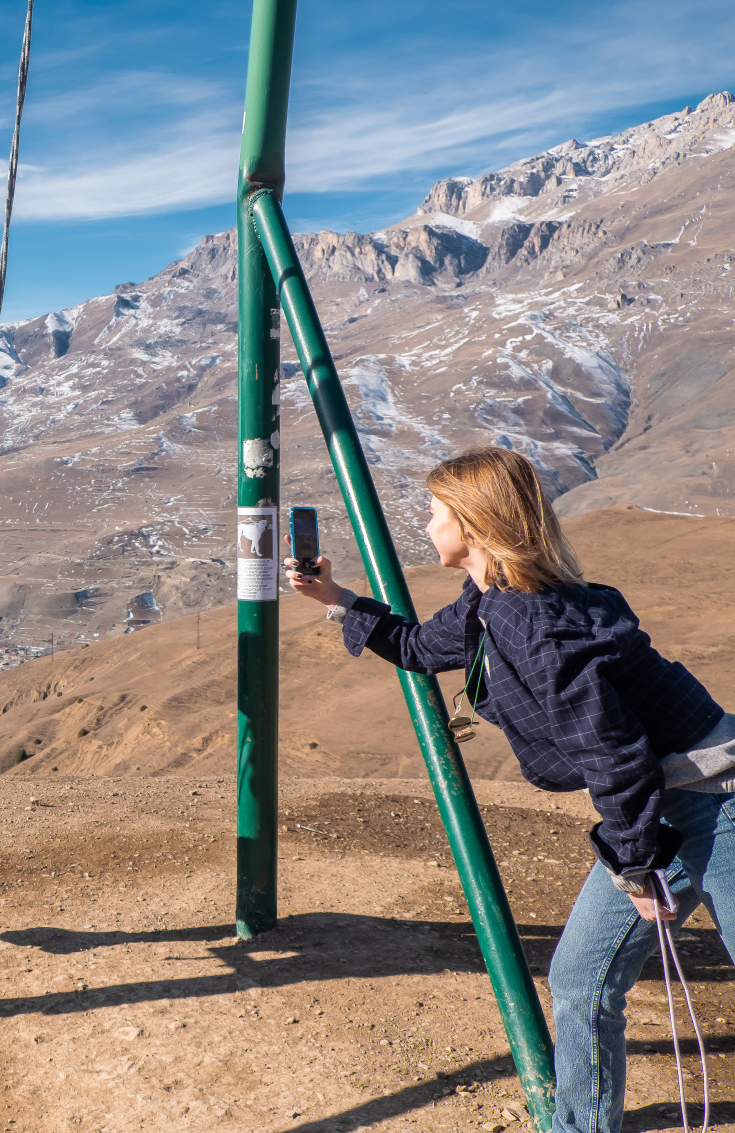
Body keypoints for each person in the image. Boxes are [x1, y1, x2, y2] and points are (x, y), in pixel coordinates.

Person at [286, 446, 734, 1133]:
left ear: (471, 523)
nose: (427, 521)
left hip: (718, 798)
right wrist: (337, 598)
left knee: (583, 978)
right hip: (664, 806)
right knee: (581, 979)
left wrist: (639, 869)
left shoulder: (535, 625)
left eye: (435, 510)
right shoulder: (487, 604)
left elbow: (618, 761)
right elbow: (414, 646)